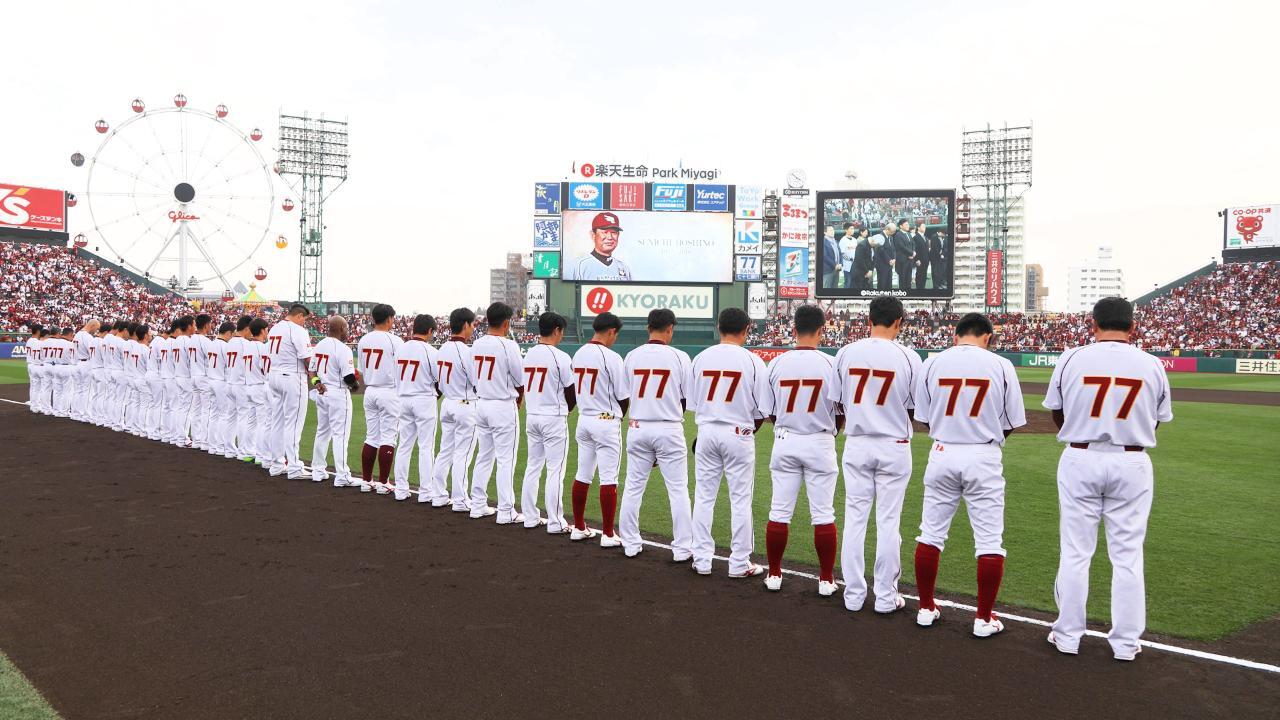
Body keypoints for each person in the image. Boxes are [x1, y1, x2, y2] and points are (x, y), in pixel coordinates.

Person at [1043, 297, 1173, 661]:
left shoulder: (1072, 357)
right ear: (1133, 327)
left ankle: (1067, 636)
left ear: (1093, 324)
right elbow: (1157, 418)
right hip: (1132, 460)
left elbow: (1058, 413)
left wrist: (1083, 433)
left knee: (1075, 552)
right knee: (1128, 556)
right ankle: (1126, 644)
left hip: (1080, 457)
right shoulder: (1152, 364)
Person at [912, 312, 1026, 637]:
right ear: (987, 336)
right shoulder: (1001, 365)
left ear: (955, 334)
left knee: (930, 534)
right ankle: (983, 618)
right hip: (983, 453)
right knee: (989, 541)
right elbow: (1011, 422)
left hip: (943, 450)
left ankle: (924, 608)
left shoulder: (933, 362)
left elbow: (924, 417)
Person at [830, 296, 922, 613]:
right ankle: (885, 597)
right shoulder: (909, 356)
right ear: (899, 322)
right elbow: (915, 409)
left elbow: (837, 403)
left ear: (868, 319)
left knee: (854, 520)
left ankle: (853, 595)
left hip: (856, 442)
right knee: (888, 522)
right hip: (893, 444)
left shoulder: (845, 353)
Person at [759, 305, 840, 593]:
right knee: (823, 514)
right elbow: (841, 411)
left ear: (793, 330)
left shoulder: (776, 363)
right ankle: (826, 579)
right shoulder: (832, 363)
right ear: (822, 330)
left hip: (786, 438)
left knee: (779, 511)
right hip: (820, 440)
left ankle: (774, 574)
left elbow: (768, 411)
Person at [689, 307, 770, 577]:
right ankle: (738, 564)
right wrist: (747, 431)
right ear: (747, 328)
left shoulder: (700, 358)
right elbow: (762, 412)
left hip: (707, 431)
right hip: (739, 432)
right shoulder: (753, 360)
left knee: (703, 497)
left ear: (718, 327)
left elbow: (693, 403)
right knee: (740, 500)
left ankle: (701, 560)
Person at [619, 308, 694, 561]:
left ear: (647, 327)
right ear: (670, 328)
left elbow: (626, 394)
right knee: (678, 489)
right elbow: (686, 398)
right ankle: (683, 549)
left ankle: (629, 543)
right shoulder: (680, 356)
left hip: (638, 426)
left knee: (633, 487)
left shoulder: (631, 356)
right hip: (669, 426)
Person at [569, 311, 630, 545]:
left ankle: (579, 527)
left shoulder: (579, 353)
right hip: (605, 420)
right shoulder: (611, 357)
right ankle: (607, 533)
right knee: (608, 478)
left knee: (582, 474)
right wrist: (620, 416)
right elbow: (623, 396)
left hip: (584, 419)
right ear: (611, 331)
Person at [468, 302, 526, 522]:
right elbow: (520, 380)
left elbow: (473, 379)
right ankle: (505, 510)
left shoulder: (476, 344)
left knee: (484, 456)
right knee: (505, 459)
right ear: (506, 322)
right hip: (502, 405)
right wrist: (520, 399)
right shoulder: (508, 345)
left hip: (481, 403)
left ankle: (478, 505)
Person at [519, 311, 577, 531]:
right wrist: (568, 409)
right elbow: (571, 393)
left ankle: (530, 517)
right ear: (557, 330)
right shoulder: (560, 357)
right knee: (555, 470)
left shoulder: (529, 354)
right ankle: (555, 521)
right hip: (552, 416)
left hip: (532, 416)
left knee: (533, 466)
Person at [433, 308, 479, 512]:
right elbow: (477, 382)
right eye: (473, 324)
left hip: (448, 402)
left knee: (445, 451)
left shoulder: (441, 348)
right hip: (465, 403)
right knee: (463, 453)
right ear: (466, 324)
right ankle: (460, 500)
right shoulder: (467, 352)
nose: (474, 327)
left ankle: (438, 495)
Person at [266, 304, 319, 479]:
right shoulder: (297, 329)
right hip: (291, 376)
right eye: (304, 318)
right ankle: (295, 467)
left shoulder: (274, 328)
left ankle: (276, 464)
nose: (304, 322)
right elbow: (307, 357)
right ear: (298, 316)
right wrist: (317, 377)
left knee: (278, 421)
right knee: (293, 423)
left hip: (274, 375)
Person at [394, 314, 442, 503]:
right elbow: (439, 381)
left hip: (404, 398)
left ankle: (401, 488)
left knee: (404, 445)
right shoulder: (431, 352)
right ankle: (425, 491)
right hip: (424, 399)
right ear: (429, 331)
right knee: (426, 447)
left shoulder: (400, 349)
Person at [356, 303, 402, 495]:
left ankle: (366, 481)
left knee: (372, 437)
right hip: (389, 391)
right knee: (388, 437)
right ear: (390, 318)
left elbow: (360, 368)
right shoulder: (395, 341)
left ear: (373, 319)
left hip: (370, 390)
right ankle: (384, 483)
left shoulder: (363, 340)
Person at [310, 316, 359, 487]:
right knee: (340, 435)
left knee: (322, 431)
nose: (347, 331)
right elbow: (348, 377)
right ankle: (342, 475)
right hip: (338, 394)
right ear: (340, 328)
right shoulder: (343, 349)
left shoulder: (319, 345)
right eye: (346, 328)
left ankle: (317, 470)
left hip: (322, 393)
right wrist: (355, 385)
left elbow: (312, 371)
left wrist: (317, 383)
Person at [565, 211, 633, 281]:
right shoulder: (579, 265)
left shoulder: (624, 267)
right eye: (604, 232)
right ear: (593, 235)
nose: (610, 237)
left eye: (614, 233)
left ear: (618, 235)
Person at [243, 318, 271, 465]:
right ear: (262, 330)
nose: (267, 332)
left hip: (248, 385)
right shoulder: (262, 347)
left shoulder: (246, 346)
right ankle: (261, 455)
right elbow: (264, 368)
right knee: (263, 422)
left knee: (252, 421)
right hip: (259, 385)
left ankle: (249, 452)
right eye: (266, 329)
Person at [224, 316, 253, 459]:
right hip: (241, 384)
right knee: (243, 417)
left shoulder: (229, 342)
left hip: (229, 383)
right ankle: (243, 451)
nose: (252, 333)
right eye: (251, 330)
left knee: (231, 417)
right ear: (247, 328)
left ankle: (229, 449)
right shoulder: (245, 343)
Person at [189, 314, 214, 451]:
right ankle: (204, 441)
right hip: (203, 376)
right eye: (210, 324)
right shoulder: (205, 341)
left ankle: (196, 439)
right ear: (205, 325)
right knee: (206, 409)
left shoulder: (190, 339)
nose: (211, 326)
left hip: (193, 375)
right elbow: (212, 362)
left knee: (196, 409)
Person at [872, 223, 896, 291]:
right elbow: (881, 250)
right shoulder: (879, 236)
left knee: (889, 284)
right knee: (882, 284)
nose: (892, 233)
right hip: (881, 264)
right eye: (891, 232)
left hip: (889, 264)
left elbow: (893, 249)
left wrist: (894, 258)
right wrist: (889, 260)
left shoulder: (890, 237)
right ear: (887, 229)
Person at [893, 218, 915, 291]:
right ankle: (902, 295)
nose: (908, 226)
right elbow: (901, 247)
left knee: (908, 279)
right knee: (902, 279)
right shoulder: (898, 235)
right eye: (906, 225)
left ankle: (909, 294)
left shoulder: (908, 234)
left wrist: (913, 252)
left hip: (910, 260)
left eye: (908, 224)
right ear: (901, 226)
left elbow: (912, 244)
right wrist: (911, 253)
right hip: (902, 261)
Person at [852, 228, 874, 292]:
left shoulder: (870, 244)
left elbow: (873, 258)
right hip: (860, 271)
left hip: (868, 270)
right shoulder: (861, 244)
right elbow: (860, 260)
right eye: (865, 232)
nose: (866, 233)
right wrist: (867, 271)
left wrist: (871, 270)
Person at [838, 224, 860, 289]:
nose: (853, 230)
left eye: (853, 228)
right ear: (846, 230)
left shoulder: (855, 240)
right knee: (848, 282)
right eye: (851, 228)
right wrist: (851, 259)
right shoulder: (843, 240)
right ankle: (845, 298)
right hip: (847, 265)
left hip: (855, 265)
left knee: (854, 283)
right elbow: (842, 254)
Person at [913, 221, 930, 290]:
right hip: (919, 260)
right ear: (918, 228)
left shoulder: (925, 237)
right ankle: (919, 288)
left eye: (925, 227)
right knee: (919, 274)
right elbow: (915, 250)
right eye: (923, 227)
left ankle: (923, 288)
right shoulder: (915, 237)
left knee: (924, 274)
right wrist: (916, 259)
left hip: (926, 260)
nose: (924, 228)